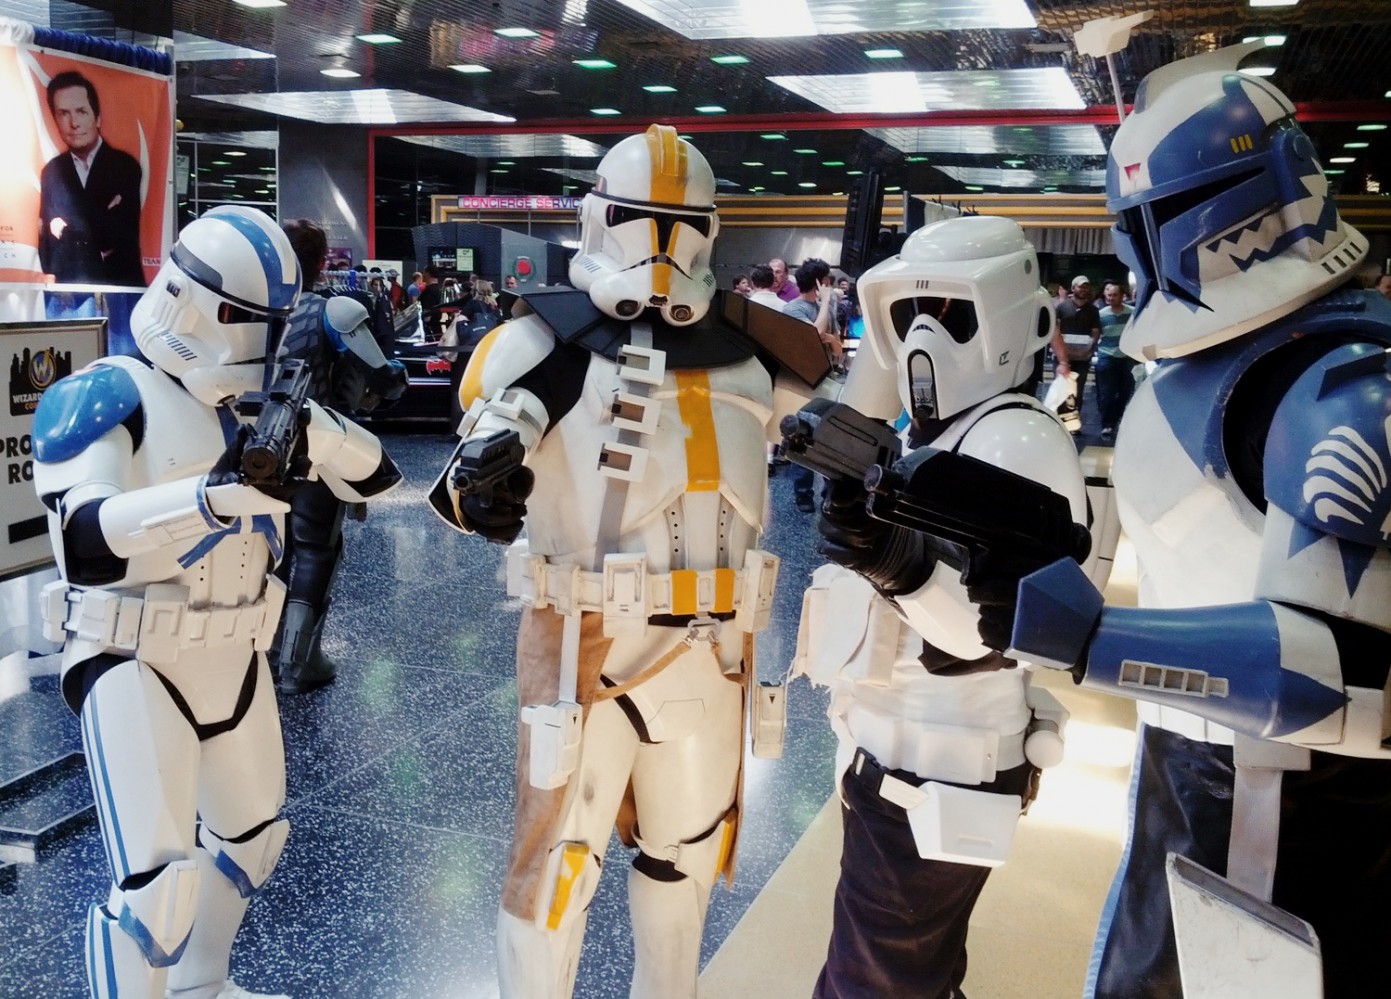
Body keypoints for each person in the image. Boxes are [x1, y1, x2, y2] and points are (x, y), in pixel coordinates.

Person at [983, 44, 1391, 998]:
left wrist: (1099, 642)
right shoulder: (1212, 361)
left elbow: (1351, 679)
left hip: (1287, 800)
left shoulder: (1346, 390)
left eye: (1161, 212)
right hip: (1197, 771)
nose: (1143, 242)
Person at [429, 124, 804, 999]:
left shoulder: (756, 353)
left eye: (682, 226)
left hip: (716, 656)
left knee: (686, 863)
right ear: (600, 218)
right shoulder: (548, 344)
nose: (662, 248)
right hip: (587, 651)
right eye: (641, 220)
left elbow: (845, 434)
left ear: (709, 232)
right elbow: (470, 469)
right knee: (556, 874)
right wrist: (482, 483)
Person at [31, 206, 401, 999]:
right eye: (248, 321)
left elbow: (377, 478)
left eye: (278, 325)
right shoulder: (105, 393)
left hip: (236, 655)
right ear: (187, 301)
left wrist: (326, 429)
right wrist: (209, 498)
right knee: (154, 889)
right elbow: (84, 541)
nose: (263, 345)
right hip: (135, 657)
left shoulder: (249, 410)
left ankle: (205, 986)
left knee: (249, 840)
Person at [792, 214, 1091, 999]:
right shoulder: (958, 430)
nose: (923, 334)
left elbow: (1004, 631)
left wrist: (891, 559)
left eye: (951, 311)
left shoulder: (1014, 440)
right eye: (909, 310)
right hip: (905, 752)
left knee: (877, 982)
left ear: (1016, 320)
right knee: (907, 971)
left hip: (941, 761)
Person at [269, 219, 406, 694]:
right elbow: (384, 376)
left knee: (268, 549)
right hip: (317, 446)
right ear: (322, 260)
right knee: (314, 548)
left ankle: (263, 648)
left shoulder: (255, 308)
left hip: (253, 448)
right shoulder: (333, 310)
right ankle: (297, 661)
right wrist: (389, 382)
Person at [38, 70, 144, 287]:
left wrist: (66, 227)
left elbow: (115, 236)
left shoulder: (125, 167)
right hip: (68, 290)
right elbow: (49, 250)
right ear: (55, 119)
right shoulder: (52, 172)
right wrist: (99, 216)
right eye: (63, 113)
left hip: (118, 290)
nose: (73, 123)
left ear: (97, 118)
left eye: (81, 111)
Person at [783, 258, 843, 512]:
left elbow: (838, 350)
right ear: (820, 282)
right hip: (804, 382)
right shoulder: (792, 309)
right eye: (827, 281)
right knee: (803, 435)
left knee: (831, 438)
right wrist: (827, 302)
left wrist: (832, 339)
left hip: (828, 379)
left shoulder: (826, 310)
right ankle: (803, 494)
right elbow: (814, 334)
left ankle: (830, 492)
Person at [1093, 279, 1135, 440]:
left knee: (1125, 392)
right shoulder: (1101, 315)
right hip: (1106, 356)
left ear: (1122, 295)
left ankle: (1115, 420)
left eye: (1115, 295)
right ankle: (1107, 424)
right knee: (1107, 393)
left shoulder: (1132, 313)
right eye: (1109, 295)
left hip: (1126, 357)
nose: (1111, 298)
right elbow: (1096, 334)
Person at [1054, 275, 1101, 391]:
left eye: (1086, 287)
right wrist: (1062, 351)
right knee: (1061, 390)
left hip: (1082, 358)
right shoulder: (1062, 307)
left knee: (1078, 390)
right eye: (1080, 287)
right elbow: (1056, 330)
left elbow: (1095, 332)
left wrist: (1087, 349)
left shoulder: (1093, 310)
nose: (1083, 290)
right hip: (1063, 357)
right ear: (1073, 288)